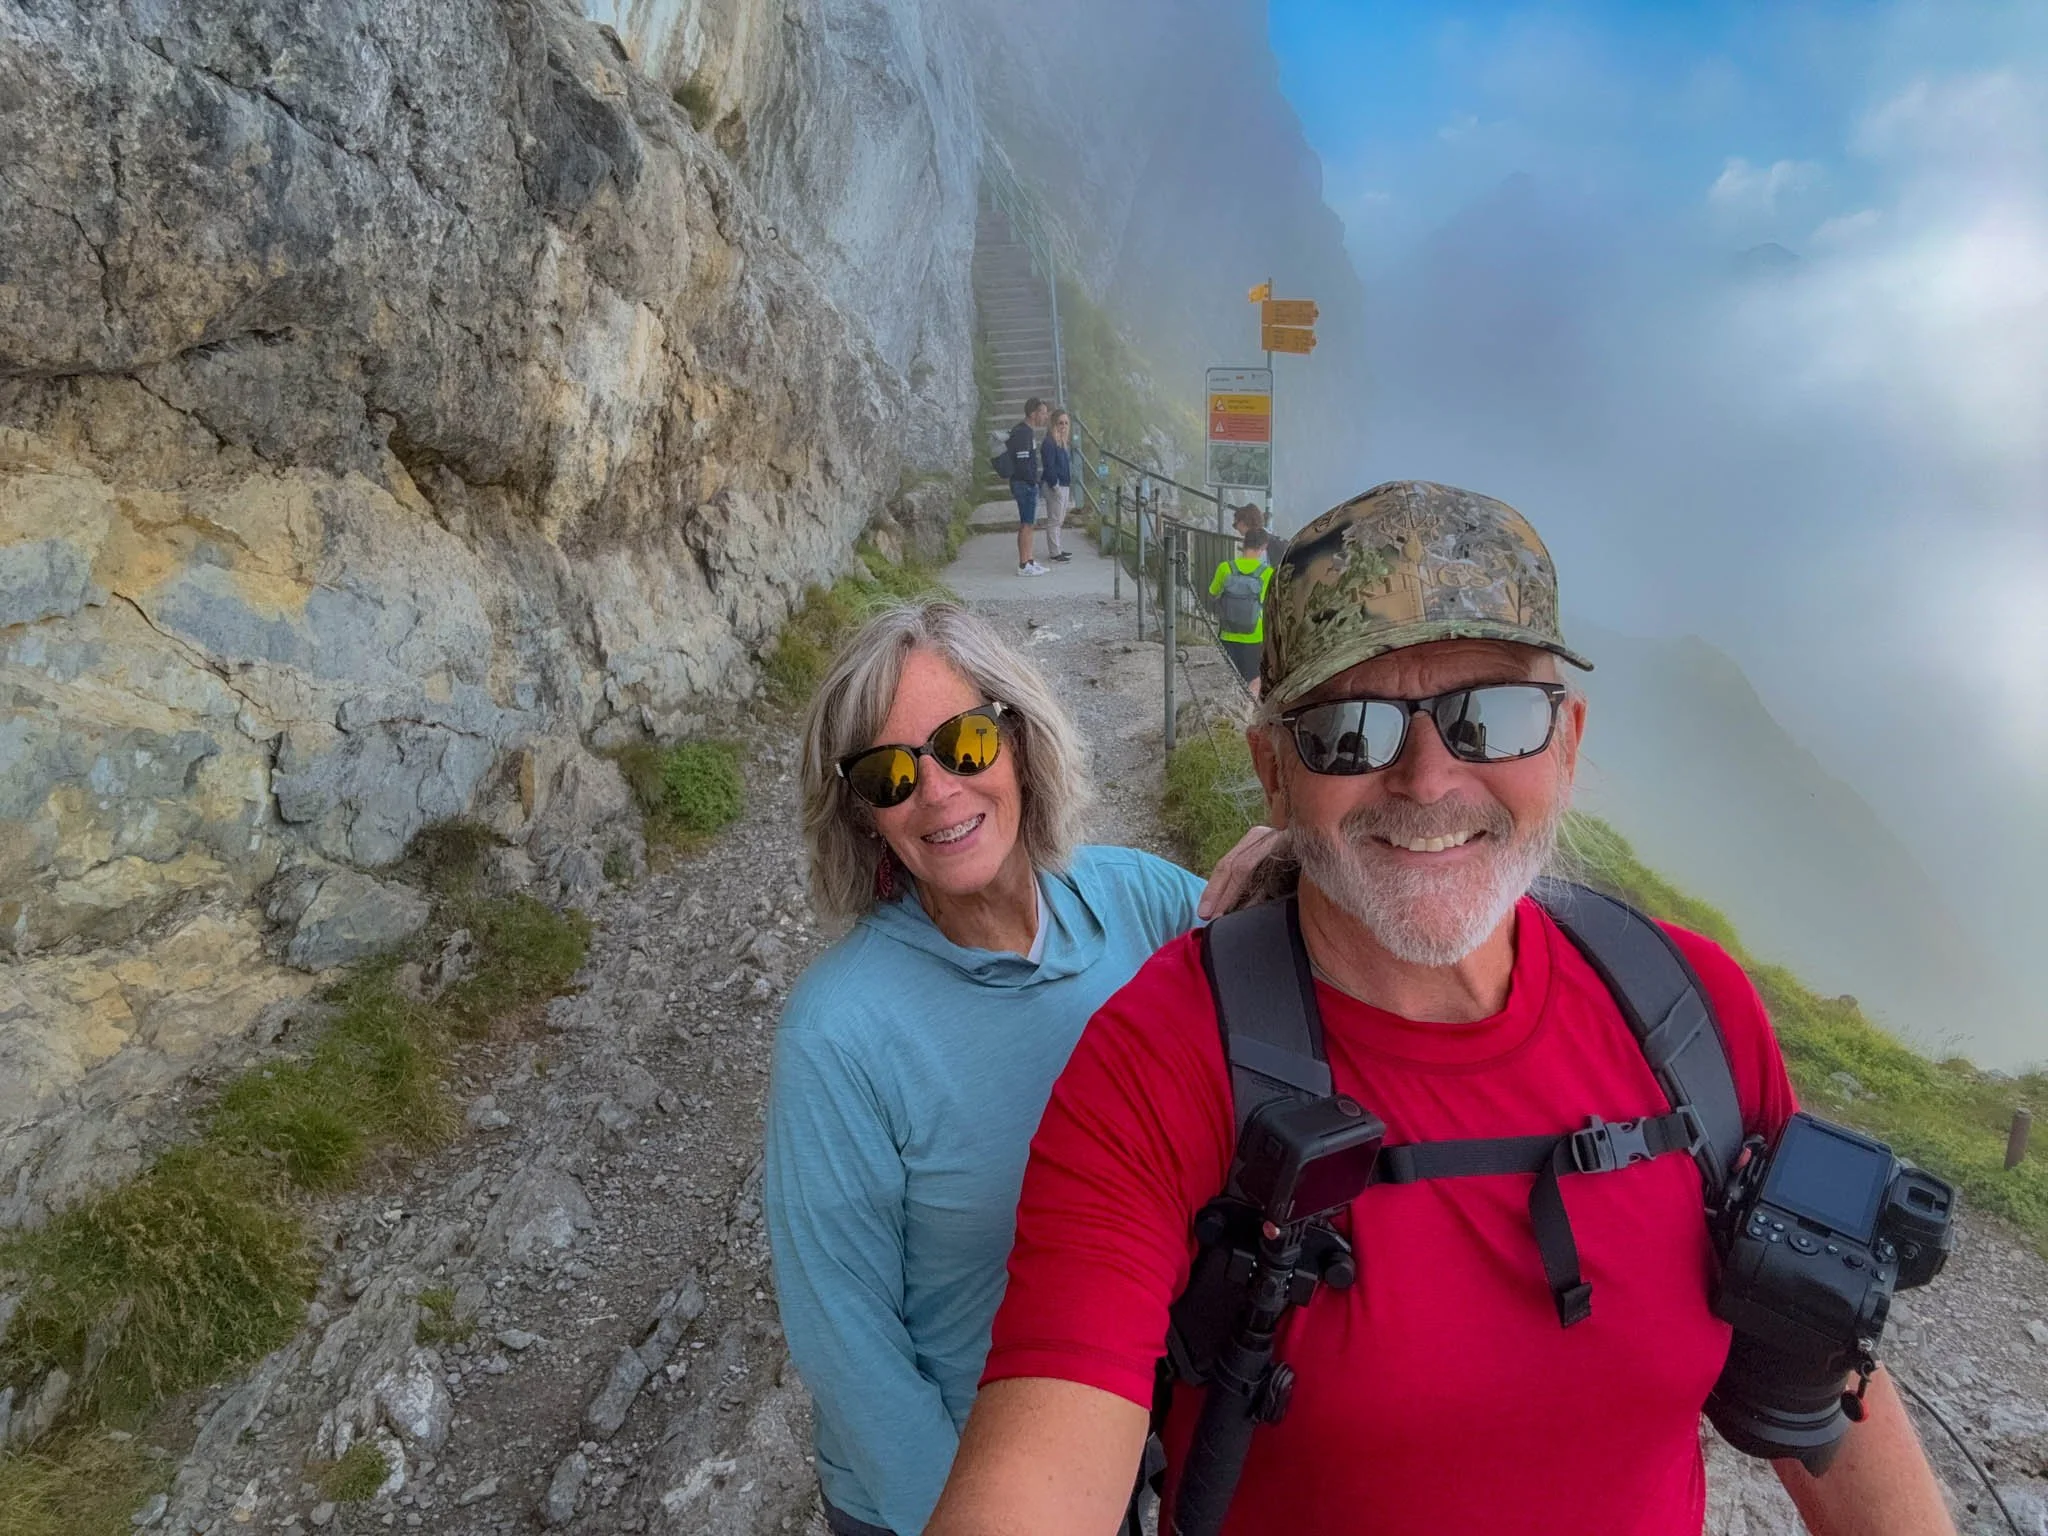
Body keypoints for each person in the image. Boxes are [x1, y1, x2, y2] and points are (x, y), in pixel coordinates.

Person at [929, 481, 1954, 1536]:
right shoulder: (1162, 1060)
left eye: (1489, 716)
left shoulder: (1692, 1015)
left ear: (1564, 746)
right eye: (1346, 732)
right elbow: (1042, 1460)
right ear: (1273, 777)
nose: (1426, 778)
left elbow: (1816, 1374)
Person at [764, 599, 1277, 1536]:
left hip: (1118, 1437)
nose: (938, 792)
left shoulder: (1143, 903)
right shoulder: (838, 1034)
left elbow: (1280, 1014)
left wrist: (1297, 856)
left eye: (962, 744)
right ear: (865, 816)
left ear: (1020, 740)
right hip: (956, 1492)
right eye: (888, 774)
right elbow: (847, 1345)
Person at [1207, 524, 1273, 697]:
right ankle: (1248, 714)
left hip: (1227, 633)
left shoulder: (1225, 568)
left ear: (1244, 544)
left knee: (1235, 676)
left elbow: (1212, 593)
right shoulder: (1267, 573)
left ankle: (1234, 706)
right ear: (1263, 548)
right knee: (1254, 678)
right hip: (1254, 636)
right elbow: (1269, 605)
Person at [1005, 398, 1050, 576]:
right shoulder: (1023, 433)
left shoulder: (1025, 432)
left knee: (1030, 524)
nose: (1045, 416)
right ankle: (1024, 564)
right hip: (1024, 485)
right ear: (1033, 413)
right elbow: (1023, 462)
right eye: (1043, 412)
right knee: (1026, 524)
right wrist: (1033, 482)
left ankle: (1029, 561)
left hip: (1025, 483)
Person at [1039, 408, 1075, 563]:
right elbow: (1049, 466)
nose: (1064, 426)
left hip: (1064, 484)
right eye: (1061, 423)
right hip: (1055, 485)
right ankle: (1054, 553)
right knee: (1054, 520)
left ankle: (1057, 548)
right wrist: (1055, 485)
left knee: (1059, 519)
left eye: (1066, 423)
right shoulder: (1049, 442)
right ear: (1054, 423)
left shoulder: (1061, 442)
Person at [1233, 500, 1286, 569]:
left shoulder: (1256, 540)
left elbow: (1259, 570)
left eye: (1235, 524)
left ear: (1243, 522)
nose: (1236, 528)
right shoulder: (1266, 535)